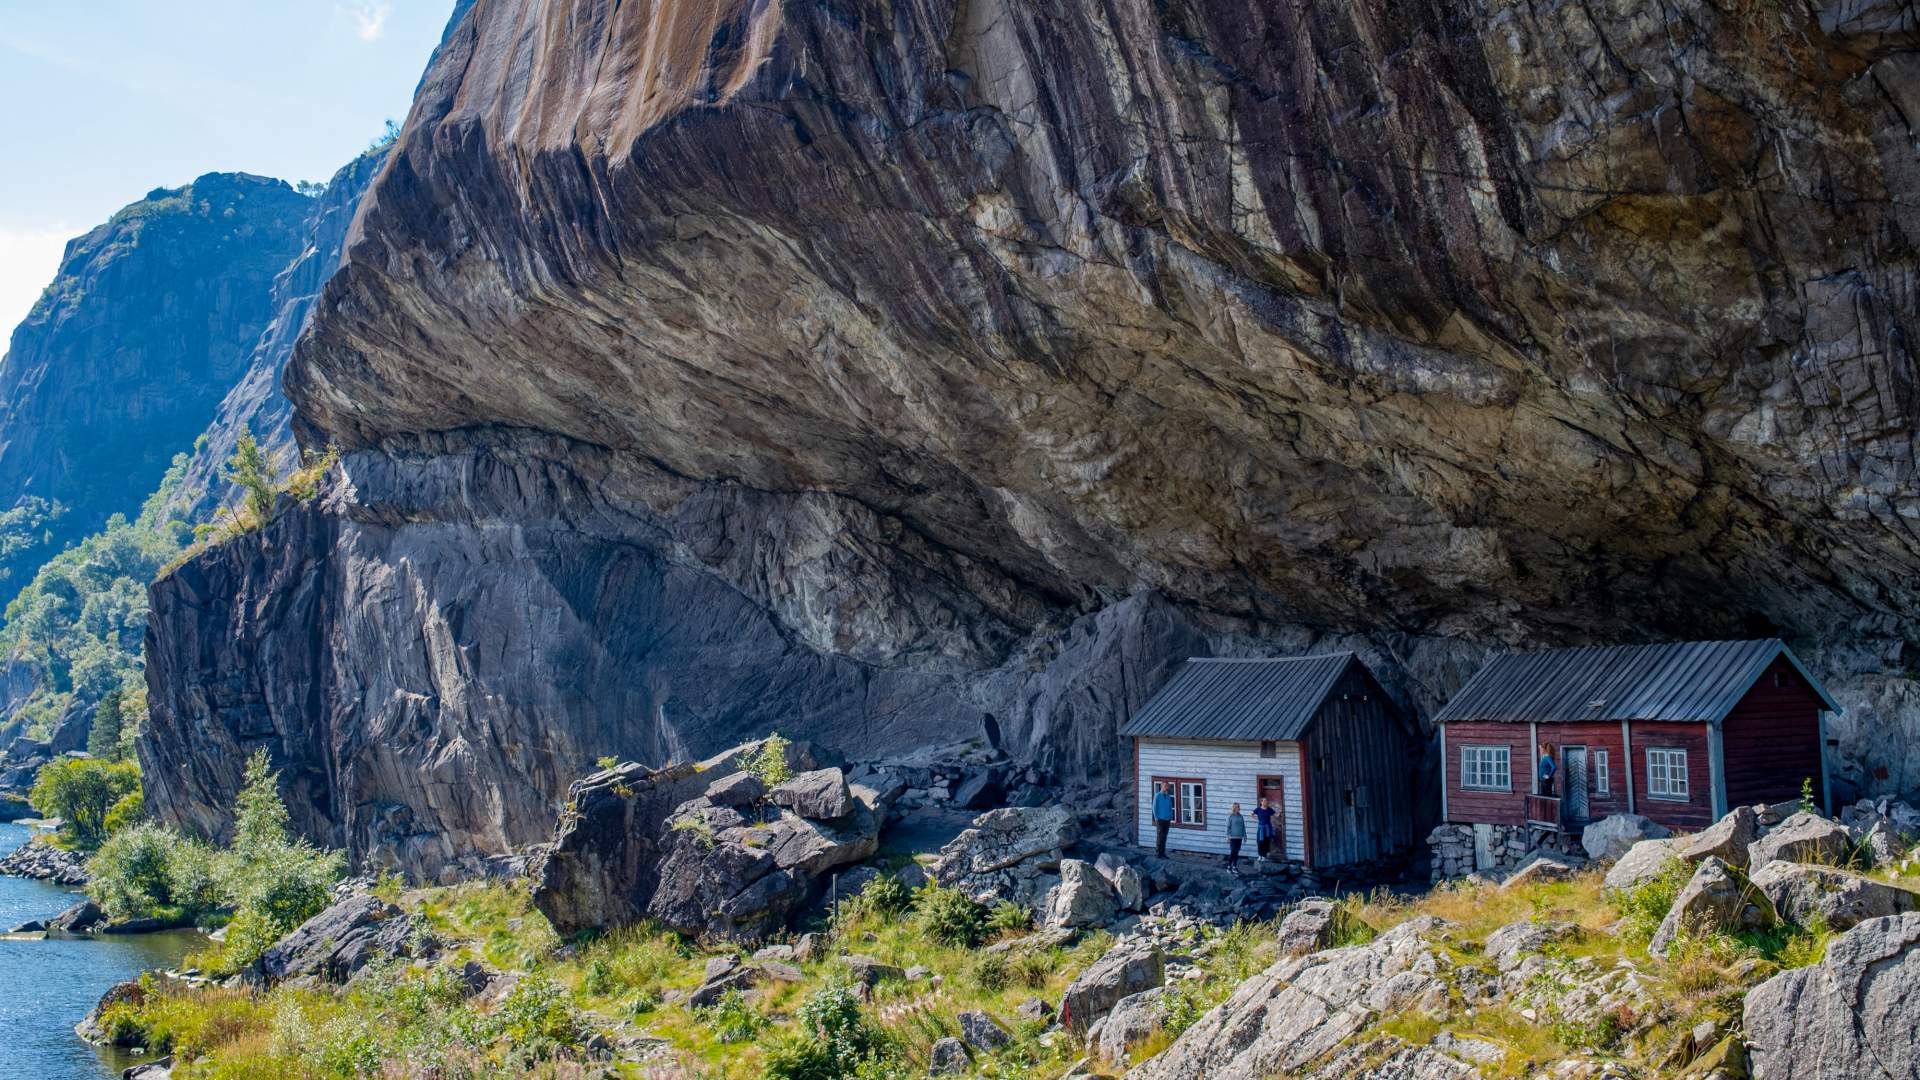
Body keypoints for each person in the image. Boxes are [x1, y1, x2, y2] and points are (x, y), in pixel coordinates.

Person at [1152, 782, 1175, 857]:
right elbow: (1154, 807)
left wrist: (1170, 817)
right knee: (1160, 836)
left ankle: (1163, 853)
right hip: (1160, 819)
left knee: (1165, 836)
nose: (1166, 788)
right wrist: (1156, 817)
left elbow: (1170, 807)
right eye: (1165, 786)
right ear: (1161, 787)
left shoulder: (1168, 796)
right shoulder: (1157, 795)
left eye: (1167, 786)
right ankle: (1158, 853)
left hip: (1167, 819)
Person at [1225, 803, 1246, 874]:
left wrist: (1245, 836)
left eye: (1239, 807)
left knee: (1237, 853)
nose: (1238, 808)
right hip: (1232, 837)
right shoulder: (1231, 816)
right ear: (1234, 808)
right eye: (1237, 807)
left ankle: (1234, 867)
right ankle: (1229, 866)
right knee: (1233, 851)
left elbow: (1243, 827)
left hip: (1239, 837)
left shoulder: (1241, 816)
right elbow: (1228, 827)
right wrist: (1227, 837)